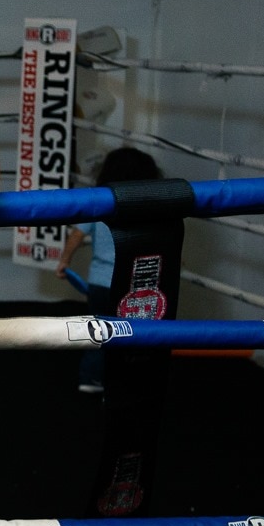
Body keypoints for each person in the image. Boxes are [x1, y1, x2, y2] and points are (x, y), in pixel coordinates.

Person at [56, 146, 164, 394]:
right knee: (132, 337)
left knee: (99, 332)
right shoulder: (147, 206)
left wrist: (64, 261)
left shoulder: (101, 200)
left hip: (99, 284)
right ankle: (122, 383)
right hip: (132, 285)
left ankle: (90, 378)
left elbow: (76, 234)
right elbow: (156, 242)